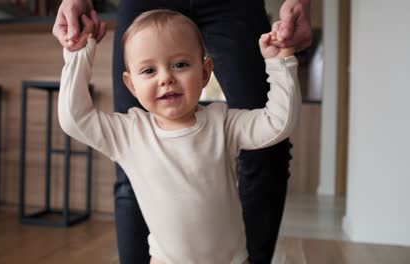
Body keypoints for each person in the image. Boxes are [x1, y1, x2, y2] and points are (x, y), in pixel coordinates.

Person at [53, 1, 311, 263]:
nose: (166, 78)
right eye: (149, 70)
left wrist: (281, 64)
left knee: (268, 160)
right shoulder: (128, 134)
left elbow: (278, 123)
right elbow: (76, 118)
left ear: (205, 72)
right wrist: (78, 56)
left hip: (232, 260)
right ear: (131, 85)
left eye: (180, 65)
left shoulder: (224, 124)